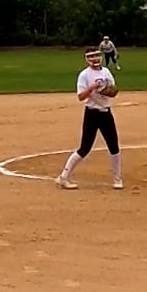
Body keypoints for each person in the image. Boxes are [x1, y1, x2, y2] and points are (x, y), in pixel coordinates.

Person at [56, 47, 122, 190]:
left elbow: (113, 90)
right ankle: (63, 177)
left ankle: (117, 179)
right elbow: (81, 96)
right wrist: (92, 87)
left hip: (106, 113)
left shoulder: (106, 72)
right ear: (86, 59)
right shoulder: (84, 75)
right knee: (85, 148)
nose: (94, 59)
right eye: (91, 57)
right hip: (91, 114)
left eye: (96, 56)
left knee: (114, 146)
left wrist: (108, 91)